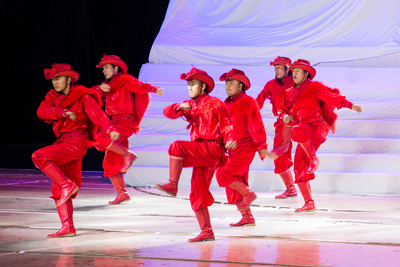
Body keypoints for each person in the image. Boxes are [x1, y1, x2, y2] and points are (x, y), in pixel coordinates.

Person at [32, 63, 114, 237]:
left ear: (68, 79)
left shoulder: (82, 96)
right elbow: (41, 111)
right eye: (53, 79)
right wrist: (62, 112)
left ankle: (67, 184)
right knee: (58, 189)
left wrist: (110, 129)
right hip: (63, 143)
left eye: (58, 78)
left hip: (76, 142)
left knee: (38, 156)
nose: (55, 83)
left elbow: (98, 116)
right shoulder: (52, 96)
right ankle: (68, 227)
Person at [155, 67, 236, 242]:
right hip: (200, 151)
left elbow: (227, 124)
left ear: (203, 86)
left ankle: (172, 184)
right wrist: (178, 106)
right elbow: (167, 112)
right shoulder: (190, 105)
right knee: (197, 191)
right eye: (188, 85)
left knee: (176, 147)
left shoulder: (215, 103)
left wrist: (230, 138)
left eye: (193, 84)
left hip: (212, 149)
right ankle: (206, 230)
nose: (190, 88)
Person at [278, 59, 363, 212]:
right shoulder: (290, 92)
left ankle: (313, 158)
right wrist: (284, 117)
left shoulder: (314, 87)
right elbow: (282, 109)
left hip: (317, 127)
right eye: (293, 71)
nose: (294, 73)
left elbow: (334, 98)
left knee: (296, 131)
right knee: (299, 165)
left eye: (298, 71)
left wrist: (351, 105)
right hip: (303, 130)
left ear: (306, 74)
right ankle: (309, 202)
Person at [93, 55, 164, 204]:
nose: (104, 71)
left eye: (106, 67)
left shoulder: (124, 82)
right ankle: (122, 193)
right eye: (103, 68)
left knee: (99, 138)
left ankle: (127, 155)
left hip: (124, 122)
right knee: (110, 163)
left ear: (115, 68)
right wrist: (100, 89)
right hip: (115, 123)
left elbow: (140, 85)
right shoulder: (109, 86)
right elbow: (93, 96)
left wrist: (155, 89)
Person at [216, 69, 268, 227]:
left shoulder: (248, 101)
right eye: (226, 83)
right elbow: (221, 127)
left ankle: (249, 194)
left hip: (245, 146)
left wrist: (261, 146)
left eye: (232, 83)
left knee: (224, 175)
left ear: (241, 85)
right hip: (231, 149)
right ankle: (247, 217)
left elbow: (256, 124)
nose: (228, 86)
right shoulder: (224, 104)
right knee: (237, 182)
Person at [256, 57, 297, 199]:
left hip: (298, 121)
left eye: (279, 68)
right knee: (279, 157)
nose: (276, 70)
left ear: (287, 69)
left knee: (297, 154)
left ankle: (298, 189)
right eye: (275, 68)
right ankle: (291, 188)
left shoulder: (296, 82)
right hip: (282, 123)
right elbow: (259, 100)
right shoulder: (271, 85)